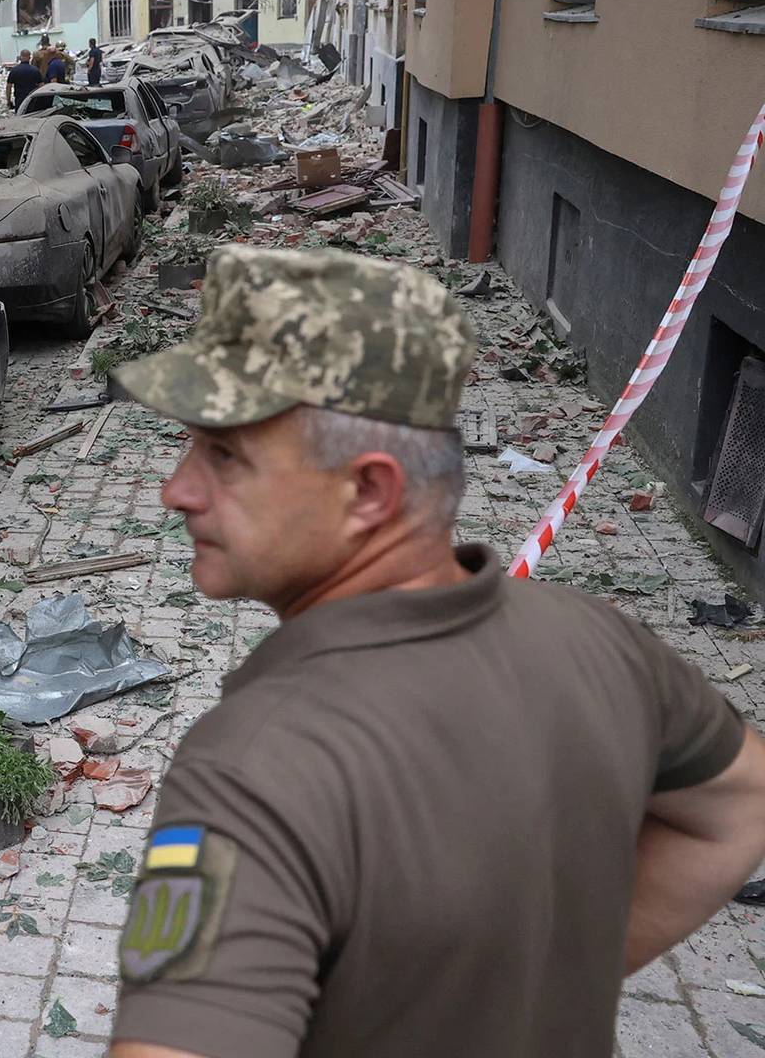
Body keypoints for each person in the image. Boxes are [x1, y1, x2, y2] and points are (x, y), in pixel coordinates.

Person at [103, 246, 765, 1058]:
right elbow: (741, 806)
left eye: (224, 455)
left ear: (369, 492)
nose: (175, 489)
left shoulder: (254, 771)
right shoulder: (600, 640)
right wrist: (549, 986)